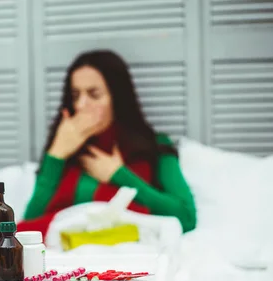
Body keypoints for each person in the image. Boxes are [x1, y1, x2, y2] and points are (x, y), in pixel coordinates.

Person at [18, 50, 196, 236]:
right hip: (68, 256)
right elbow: (30, 228)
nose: (81, 105)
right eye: (76, 95)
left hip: (131, 252)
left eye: (94, 94)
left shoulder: (154, 146)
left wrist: (118, 174)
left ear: (117, 99)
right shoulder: (62, 151)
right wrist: (56, 155)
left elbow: (186, 217)